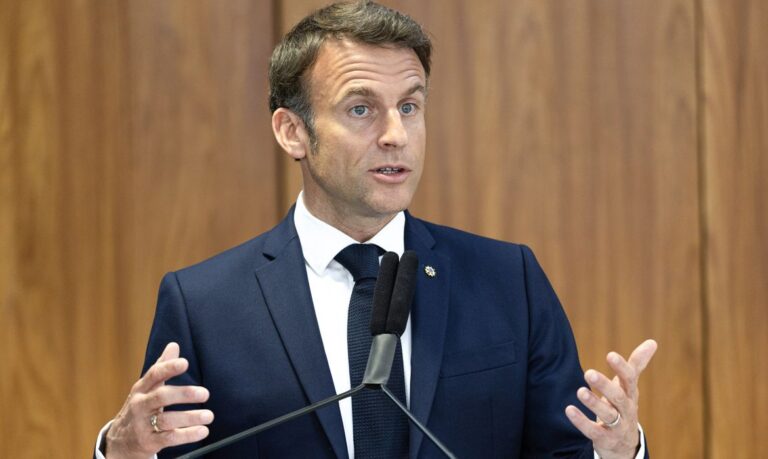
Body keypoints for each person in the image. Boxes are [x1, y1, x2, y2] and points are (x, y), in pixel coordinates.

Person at [94, 1, 657, 458]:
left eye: (410, 107)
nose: (396, 135)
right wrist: (119, 454)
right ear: (292, 132)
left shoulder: (510, 282)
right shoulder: (205, 306)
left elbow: (564, 452)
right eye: (361, 109)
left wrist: (618, 451)